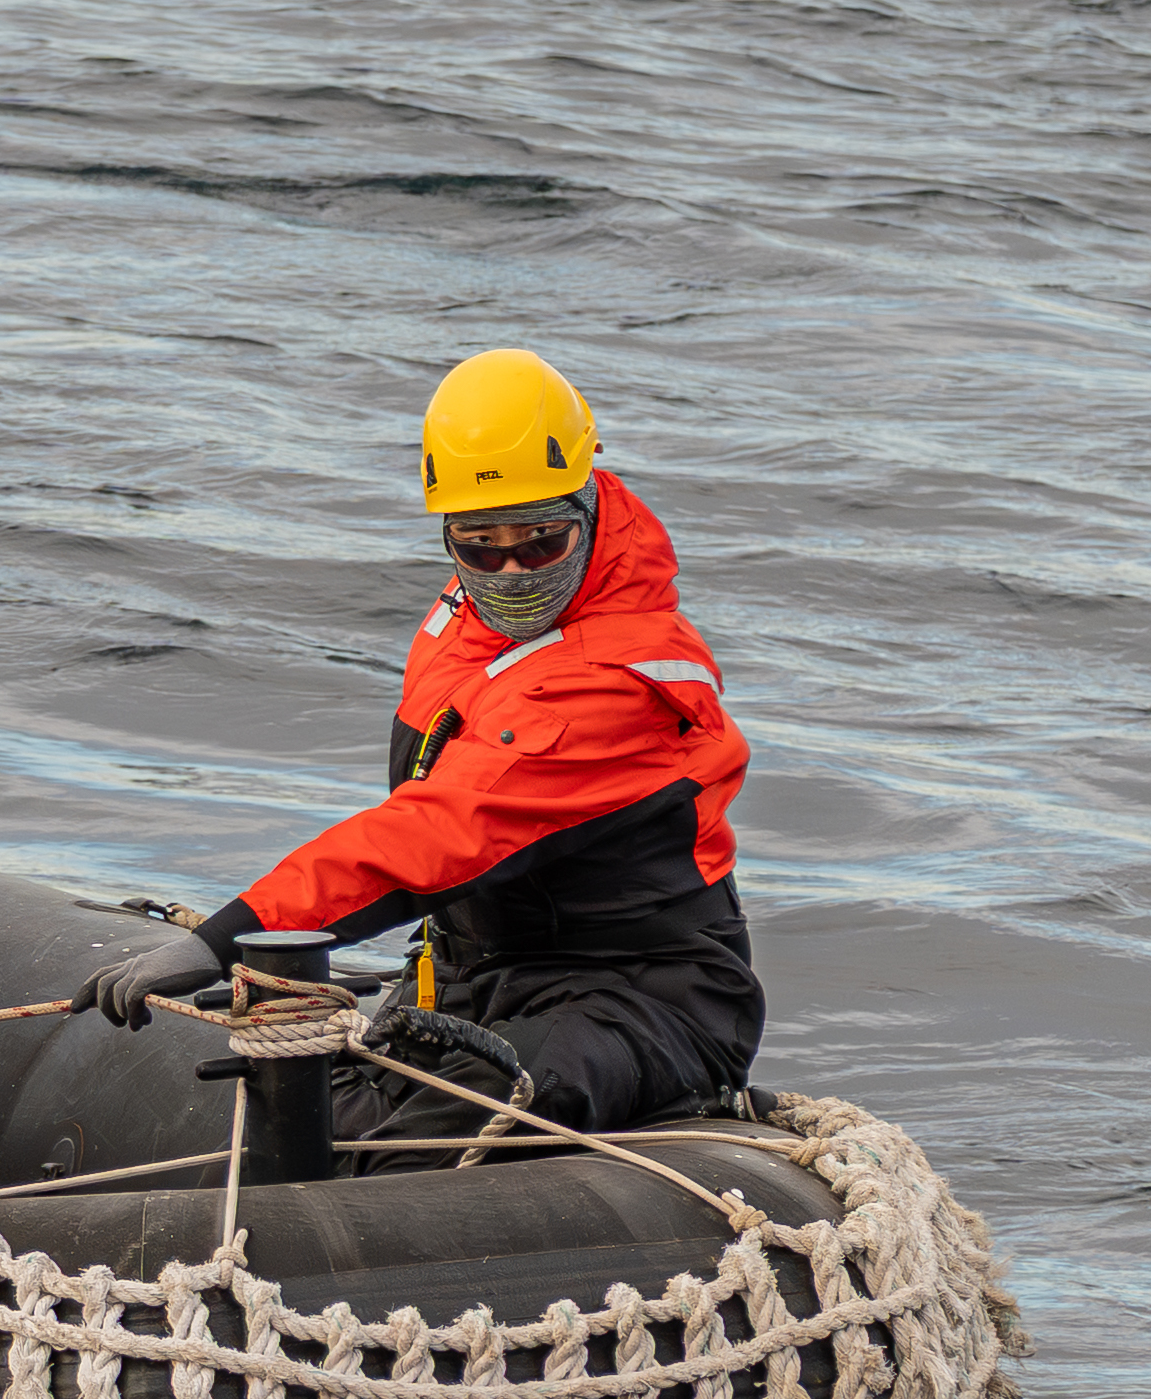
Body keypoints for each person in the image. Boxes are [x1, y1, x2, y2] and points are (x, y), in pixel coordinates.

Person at [84, 349, 760, 1134]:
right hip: (481, 970)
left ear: (589, 504)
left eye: (540, 542)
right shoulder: (470, 619)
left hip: (637, 992)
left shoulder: (614, 681)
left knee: (419, 1138)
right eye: (480, 546)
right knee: (307, 1111)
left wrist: (226, 938)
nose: (511, 571)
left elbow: (436, 834)